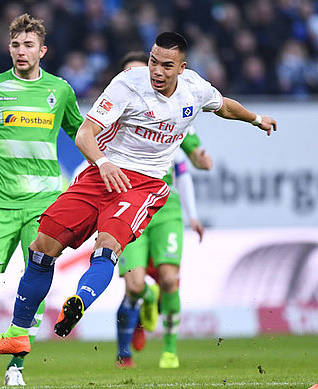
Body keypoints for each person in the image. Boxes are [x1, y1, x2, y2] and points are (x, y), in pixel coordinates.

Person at [0, 32, 276, 362]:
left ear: (182, 68)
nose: (157, 71)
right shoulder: (128, 84)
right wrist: (102, 163)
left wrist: (257, 120)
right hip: (101, 174)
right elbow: (86, 133)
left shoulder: (194, 88)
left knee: (107, 247)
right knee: (41, 250)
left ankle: (80, 302)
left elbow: (225, 106)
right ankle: (17, 334)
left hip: (144, 185)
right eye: (153, 62)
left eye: (166, 66)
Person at [0, 13, 84, 386]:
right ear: (8, 48)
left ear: (43, 50)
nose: (21, 51)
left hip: (44, 202)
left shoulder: (59, 91)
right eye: (15, 45)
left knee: (36, 278)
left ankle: (16, 367)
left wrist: (105, 163)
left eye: (28, 45)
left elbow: (81, 133)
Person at [112, 52, 211, 370]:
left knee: (170, 279)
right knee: (135, 286)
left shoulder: (172, 113)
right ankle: (130, 335)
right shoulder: (113, 114)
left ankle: (169, 351)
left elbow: (186, 163)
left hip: (164, 208)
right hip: (128, 207)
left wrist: (192, 211)